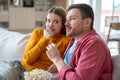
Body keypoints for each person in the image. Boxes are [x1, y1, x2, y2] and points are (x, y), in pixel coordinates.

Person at [46, 4, 113, 80]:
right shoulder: (73, 40)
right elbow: (70, 69)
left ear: (87, 22)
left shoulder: (94, 44)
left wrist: (57, 59)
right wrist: (60, 66)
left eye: (72, 19)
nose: (66, 24)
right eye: (66, 20)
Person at [12, 6, 70, 79]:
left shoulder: (66, 40)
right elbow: (28, 60)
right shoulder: (37, 33)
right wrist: (44, 39)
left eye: (56, 22)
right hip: (19, 68)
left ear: (62, 25)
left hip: (39, 76)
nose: (50, 25)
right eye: (48, 21)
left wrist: (58, 63)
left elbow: (70, 61)